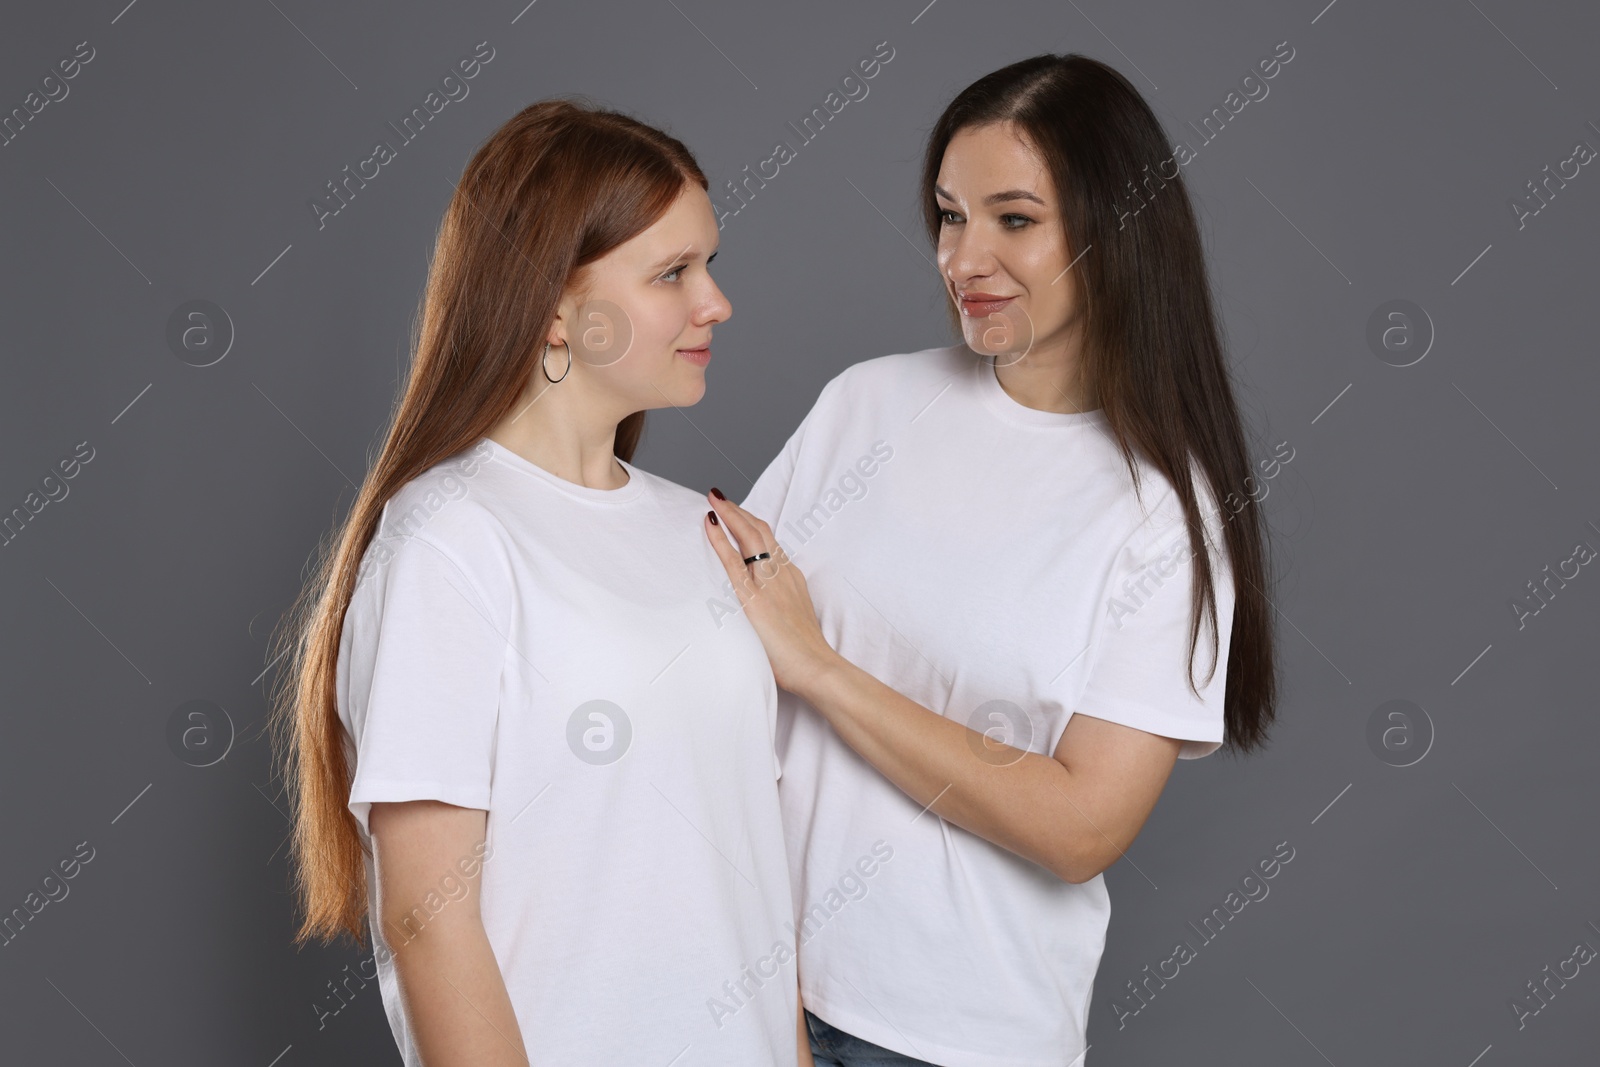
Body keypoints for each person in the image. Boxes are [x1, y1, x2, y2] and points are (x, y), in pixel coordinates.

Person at [702, 54, 1279, 1066]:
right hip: (747, 993)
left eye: (1013, 219)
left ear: (1116, 225)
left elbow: (1080, 826)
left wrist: (822, 670)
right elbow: (714, 631)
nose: (963, 258)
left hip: (946, 1035)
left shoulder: (1162, 517)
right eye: (948, 214)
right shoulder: (867, 404)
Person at [269, 99, 813, 1066]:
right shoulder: (449, 540)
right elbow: (431, 922)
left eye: (710, 264)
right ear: (556, 304)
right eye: (672, 273)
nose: (715, 302)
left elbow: (751, 891)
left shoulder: (708, 535)